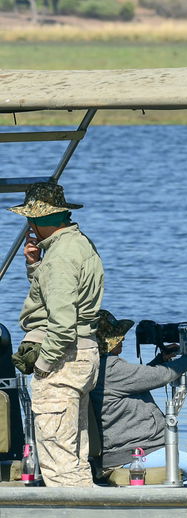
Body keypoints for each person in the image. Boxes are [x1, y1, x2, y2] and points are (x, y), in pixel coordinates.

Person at [9, 182, 104, 487]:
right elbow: (56, 296)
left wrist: (43, 364)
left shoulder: (61, 257)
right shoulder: (78, 244)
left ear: (36, 219)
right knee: (73, 452)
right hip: (83, 352)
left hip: (64, 357)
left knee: (58, 456)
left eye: (30, 219)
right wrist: (35, 264)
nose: (28, 225)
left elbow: (62, 323)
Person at [96, 312, 187, 487]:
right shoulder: (110, 368)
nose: (123, 339)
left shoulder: (101, 366)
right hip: (132, 453)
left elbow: (138, 380)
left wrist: (160, 359)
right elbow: (160, 376)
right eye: (116, 336)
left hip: (136, 448)